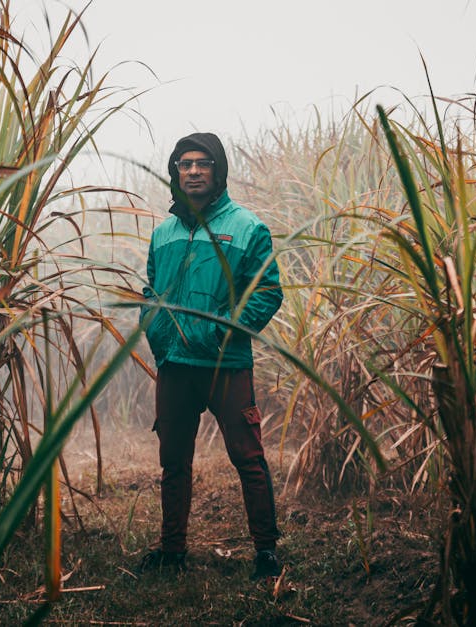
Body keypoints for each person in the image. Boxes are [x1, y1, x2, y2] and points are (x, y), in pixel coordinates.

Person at [138, 132, 284, 580]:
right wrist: (156, 330)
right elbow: (151, 289)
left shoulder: (247, 227)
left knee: (248, 457)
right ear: (175, 172)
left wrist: (223, 333)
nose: (194, 171)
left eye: (203, 163)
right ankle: (172, 551)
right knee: (173, 463)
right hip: (175, 366)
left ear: (218, 171)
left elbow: (268, 292)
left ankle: (265, 553)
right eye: (185, 164)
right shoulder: (163, 233)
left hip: (225, 365)